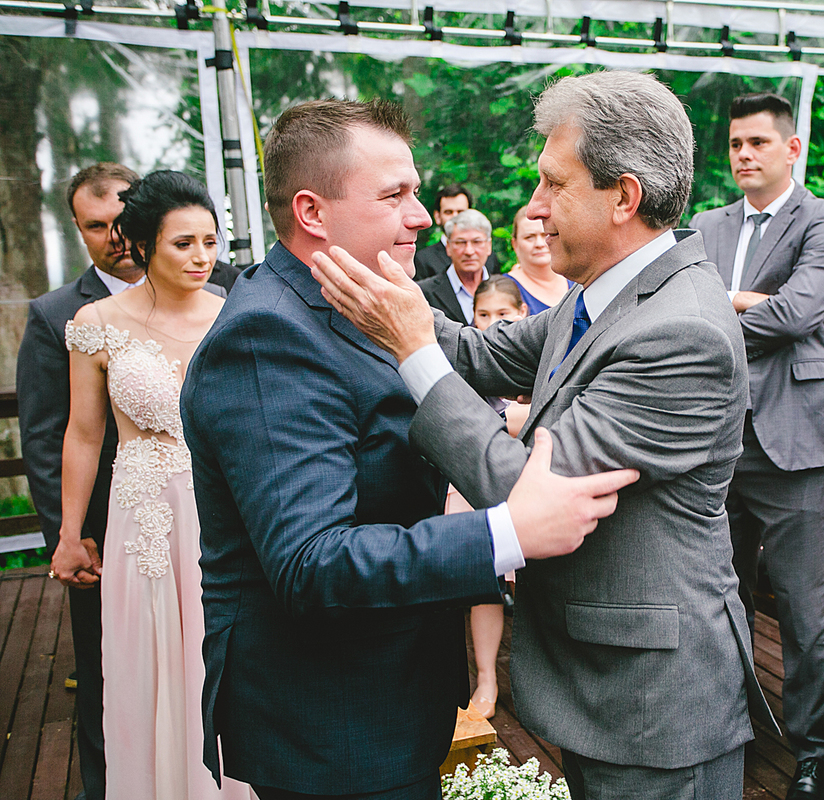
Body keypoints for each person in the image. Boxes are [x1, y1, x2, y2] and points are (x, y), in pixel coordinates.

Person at [312, 70, 772, 800]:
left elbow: (525, 493)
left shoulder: (681, 331)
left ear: (623, 197)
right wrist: (379, 285)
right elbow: (479, 353)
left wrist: (410, 349)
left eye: (554, 183)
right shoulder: (609, 290)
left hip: (652, 707)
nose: (533, 205)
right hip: (606, 688)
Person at [179, 98, 638, 800]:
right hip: (332, 724)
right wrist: (508, 532)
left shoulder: (358, 298)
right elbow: (310, 563)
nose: (422, 217)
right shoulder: (266, 337)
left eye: (416, 192)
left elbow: (477, 361)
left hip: (386, 694)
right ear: (312, 212)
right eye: (394, 195)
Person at [50, 171, 250, 799]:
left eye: (210, 242)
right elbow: (84, 434)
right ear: (143, 244)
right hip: (145, 525)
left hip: (226, 514)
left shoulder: (235, 314)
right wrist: (70, 534)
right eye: (183, 243)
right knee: (151, 666)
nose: (201, 257)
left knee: (228, 660)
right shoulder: (98, 322)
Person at [689, 90, 824, 800]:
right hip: (713, 438)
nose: (744, 155)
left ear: (791, 148)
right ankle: (732, 726)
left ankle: (817, 752)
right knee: (719, 595)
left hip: (791, 439)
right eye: (735, 144)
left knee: (804, 609)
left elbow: (799, 313)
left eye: (757, 142)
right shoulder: (706, 224)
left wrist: (726, 305)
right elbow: (687, 305)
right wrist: (752, 304)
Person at [17, 162, 139, 800]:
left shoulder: (214, 286)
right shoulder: (55, 314)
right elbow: (46, 438)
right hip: (104, 532)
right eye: (96, 226)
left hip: (203, 519)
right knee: (103, 673)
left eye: (122, 220)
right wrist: (69, 536)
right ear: (77, 229)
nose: (114, 237)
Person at [458, 274, 530, 719]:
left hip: (530, 486)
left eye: (502, 313)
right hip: (478, 486)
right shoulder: (471, 367)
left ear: (523, 314)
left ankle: (536, 678)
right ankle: (486, 676)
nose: (491, 323)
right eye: (482, 315)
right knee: (485, 581)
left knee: (534, 585)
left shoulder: (544, 358)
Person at [417, 208, 492, 325]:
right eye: (460, 242)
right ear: (448, 247)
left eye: (477, 242)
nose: (469, 251)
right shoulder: (424, 293)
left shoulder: (505, 290)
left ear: (489, 246)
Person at [412, 185, 499, 280]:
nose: (455, 217)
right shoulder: (423, 260)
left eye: (461, 212)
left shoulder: (488, 258)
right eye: (448, 212)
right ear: (437, 216)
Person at [506, 206, 571, 312]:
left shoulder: (577, 281)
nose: (539, 244)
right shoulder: (504, 289)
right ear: (515, 244)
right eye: (529, 237)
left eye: (546, 235)